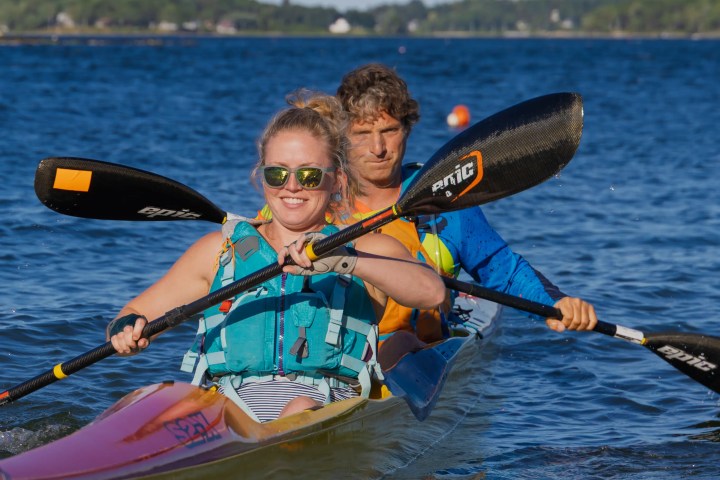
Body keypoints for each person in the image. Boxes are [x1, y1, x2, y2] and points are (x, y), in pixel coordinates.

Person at [106, 91, 446, 423]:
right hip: (228, 415)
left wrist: (346, 261)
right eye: (278, 173)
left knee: (298, 408)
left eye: (309, 175)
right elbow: (133, 313)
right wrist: (125, 332)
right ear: (261, 176)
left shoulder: (367, 248)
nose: (292, 186)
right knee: (144, 402)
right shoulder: (218, 251)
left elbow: (431, 292)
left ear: (338, 181)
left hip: (320, 408)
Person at [334, 63, 598, 345]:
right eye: (362, 134)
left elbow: (504, 271)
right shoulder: (320, 203)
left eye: (389, 130)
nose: (378, 148)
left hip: (420, 355)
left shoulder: (444, 200)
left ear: (407, 130)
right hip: (337, 364)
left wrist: (557, 304)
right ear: (342, 137)